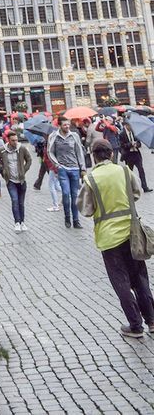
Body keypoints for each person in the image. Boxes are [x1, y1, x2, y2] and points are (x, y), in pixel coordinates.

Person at [78, 140, 154, 339]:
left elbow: (85, 209)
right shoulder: (124, 171)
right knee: (140, 278)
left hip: (109, 238)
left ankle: (135, 325)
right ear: (112, 154)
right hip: (132, 232)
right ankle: (152, 321)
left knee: (121, 282)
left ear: (94, 156)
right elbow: (136, 194)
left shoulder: (91, 178)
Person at [46, 115, 86, 228]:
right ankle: (67, 217)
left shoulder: (74, 136)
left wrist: (82, 168)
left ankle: (76, 220)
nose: (67, 126)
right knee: (65, 193)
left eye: (68, 124)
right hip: (63, 169)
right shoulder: (54, 136)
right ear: (59, 125)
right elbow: (50, 152)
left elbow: (79, 152)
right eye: (65, 125)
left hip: (74, 168)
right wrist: (57, 164)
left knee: (75, 195)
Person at [0, 130, 35, 231]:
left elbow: (29, 159)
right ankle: (17, 223)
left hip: (22, 180)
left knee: (21, 203)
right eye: (13, 140)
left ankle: (22, 222)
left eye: (16, 140)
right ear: (8, 141)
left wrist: (24, 170)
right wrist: (3, 169)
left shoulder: (22, 148)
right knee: (14, 200)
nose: (15, 142)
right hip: (10, 181)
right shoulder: (2, 150)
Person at [120, 122, 151, 193]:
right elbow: (122, 146)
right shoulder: (122, 134)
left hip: (136, 154)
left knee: (141, 170)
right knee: (129, 172)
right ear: (126, 125)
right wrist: (130, 144)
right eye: (130, 125)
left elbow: (139, 143)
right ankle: (129, 188)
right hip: (128, 155)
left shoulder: (134, 133)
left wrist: (137, 145)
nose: (131, 127)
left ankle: (145, 187)